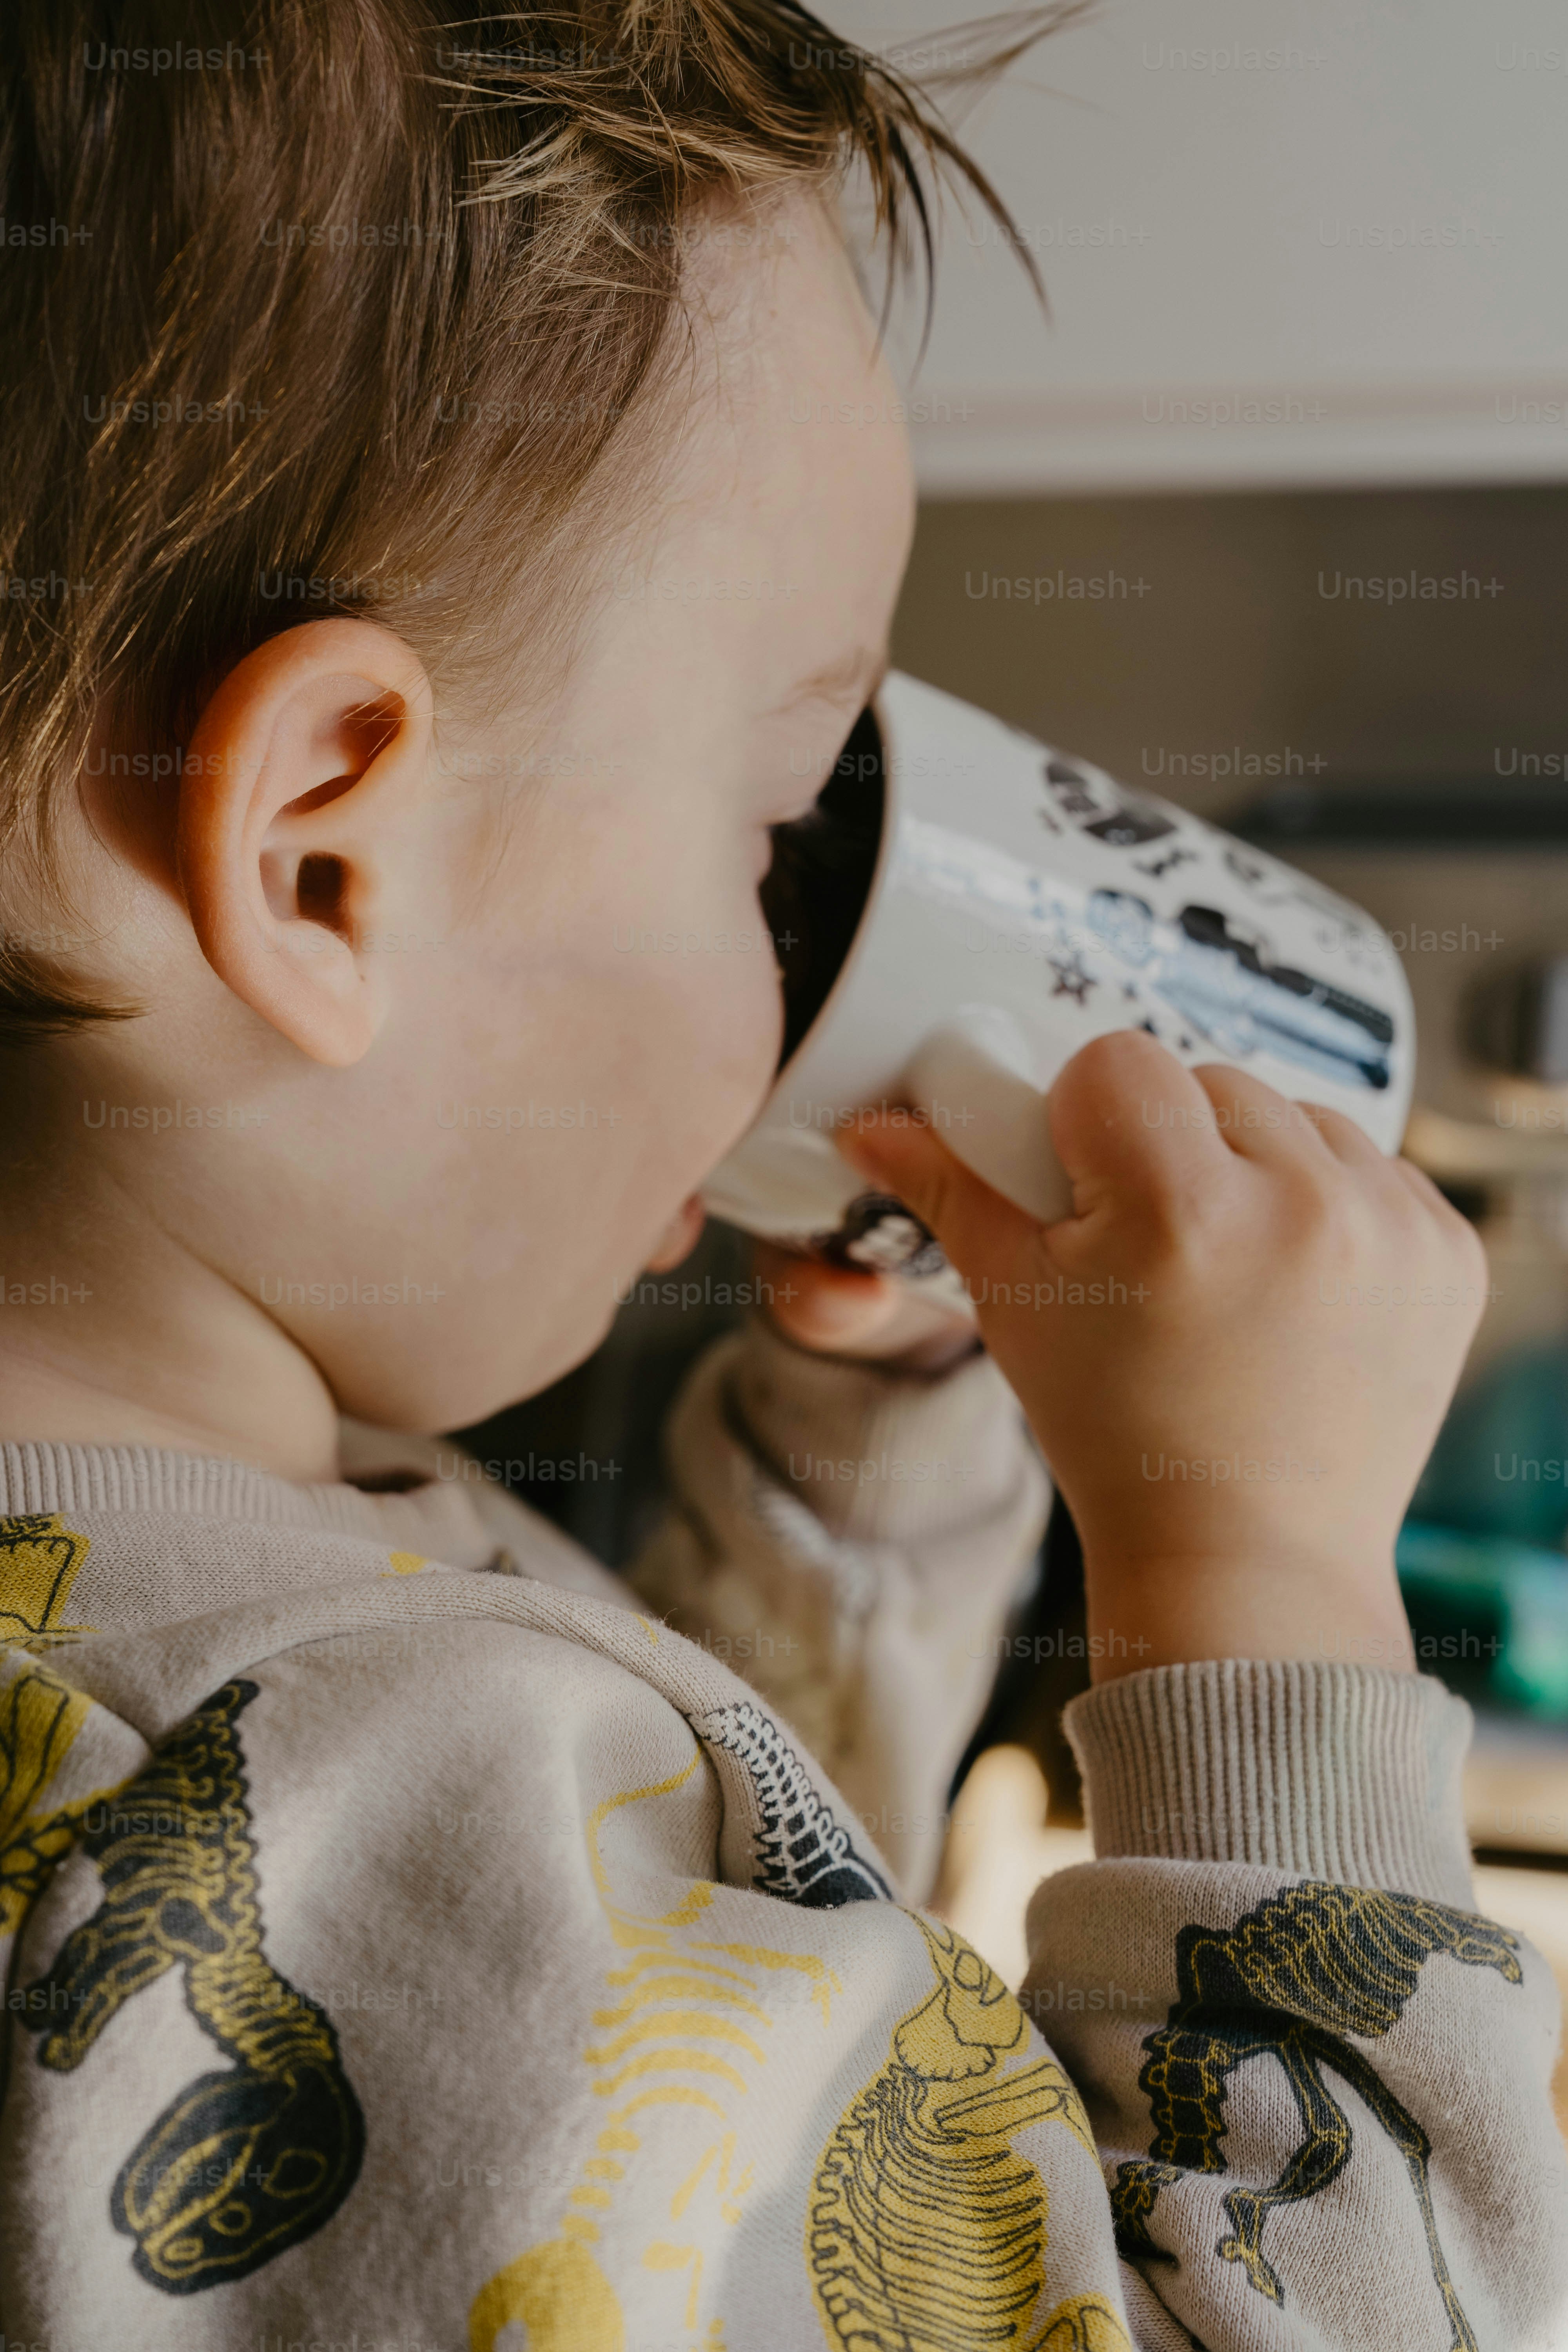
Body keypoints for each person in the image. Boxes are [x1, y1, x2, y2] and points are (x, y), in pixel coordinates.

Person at [0, 6, 1562, 2346]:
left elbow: (696, 1996)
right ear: (321, 863)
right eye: (778, 823)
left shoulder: (211, 1631)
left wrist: (855, 1457)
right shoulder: (326, 1832)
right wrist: (1260, 1588)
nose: (807, 937)